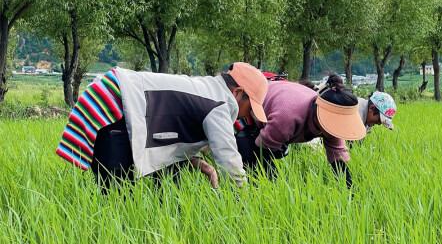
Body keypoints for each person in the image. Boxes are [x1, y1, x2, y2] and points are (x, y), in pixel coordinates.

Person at [56, 62, 268, 191]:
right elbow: (229, 160)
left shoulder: (208, 90)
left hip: (114, 95)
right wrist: (244, 201)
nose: (246, 115)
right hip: (115, 102)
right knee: (116, 197)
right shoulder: (220, 102)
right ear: (238, 93)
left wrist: (197, 161)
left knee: (123, 198)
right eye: (250, 108)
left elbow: (173, 128)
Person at [235, 74, 366, 187]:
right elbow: (262, 147)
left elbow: (338, 161)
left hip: (280, 107)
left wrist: (350, 189)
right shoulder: (287, 117)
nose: (336, 132)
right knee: (261, 173)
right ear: (321, 116)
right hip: (249, 110)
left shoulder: (332, 124)